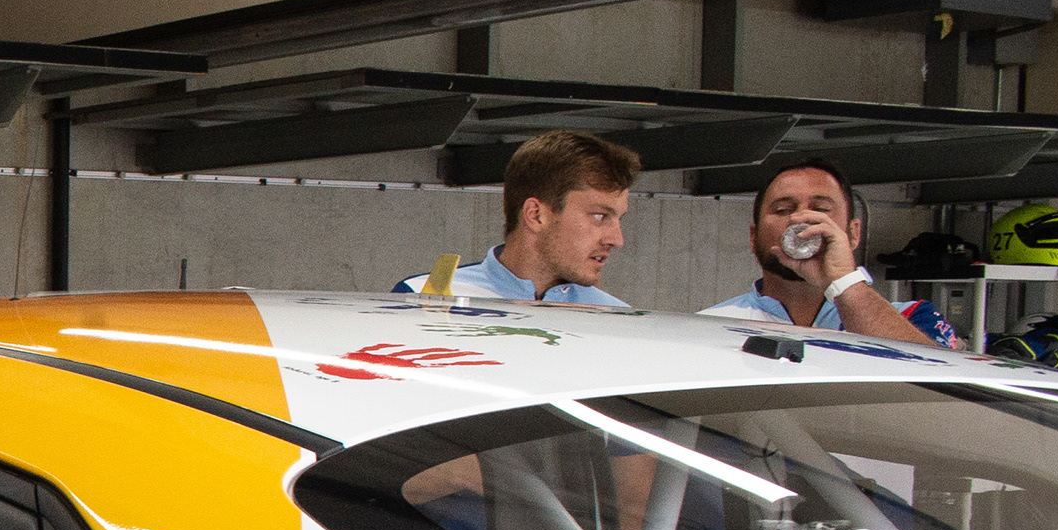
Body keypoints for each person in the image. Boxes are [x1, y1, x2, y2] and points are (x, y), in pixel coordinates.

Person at [698, 158, 964, 346]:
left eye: (822, 210)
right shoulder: (706, 328)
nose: (801, 219)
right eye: (783, 210)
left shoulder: (913, 317)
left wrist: (844, 283)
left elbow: (942, 383)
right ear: (753, 237)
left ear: (853, 233)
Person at [396, 129, 641, 306]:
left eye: (619, 218)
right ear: (536, 215)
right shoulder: (420, 297)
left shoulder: (616, 318)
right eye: (599, 216)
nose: (617, 240)